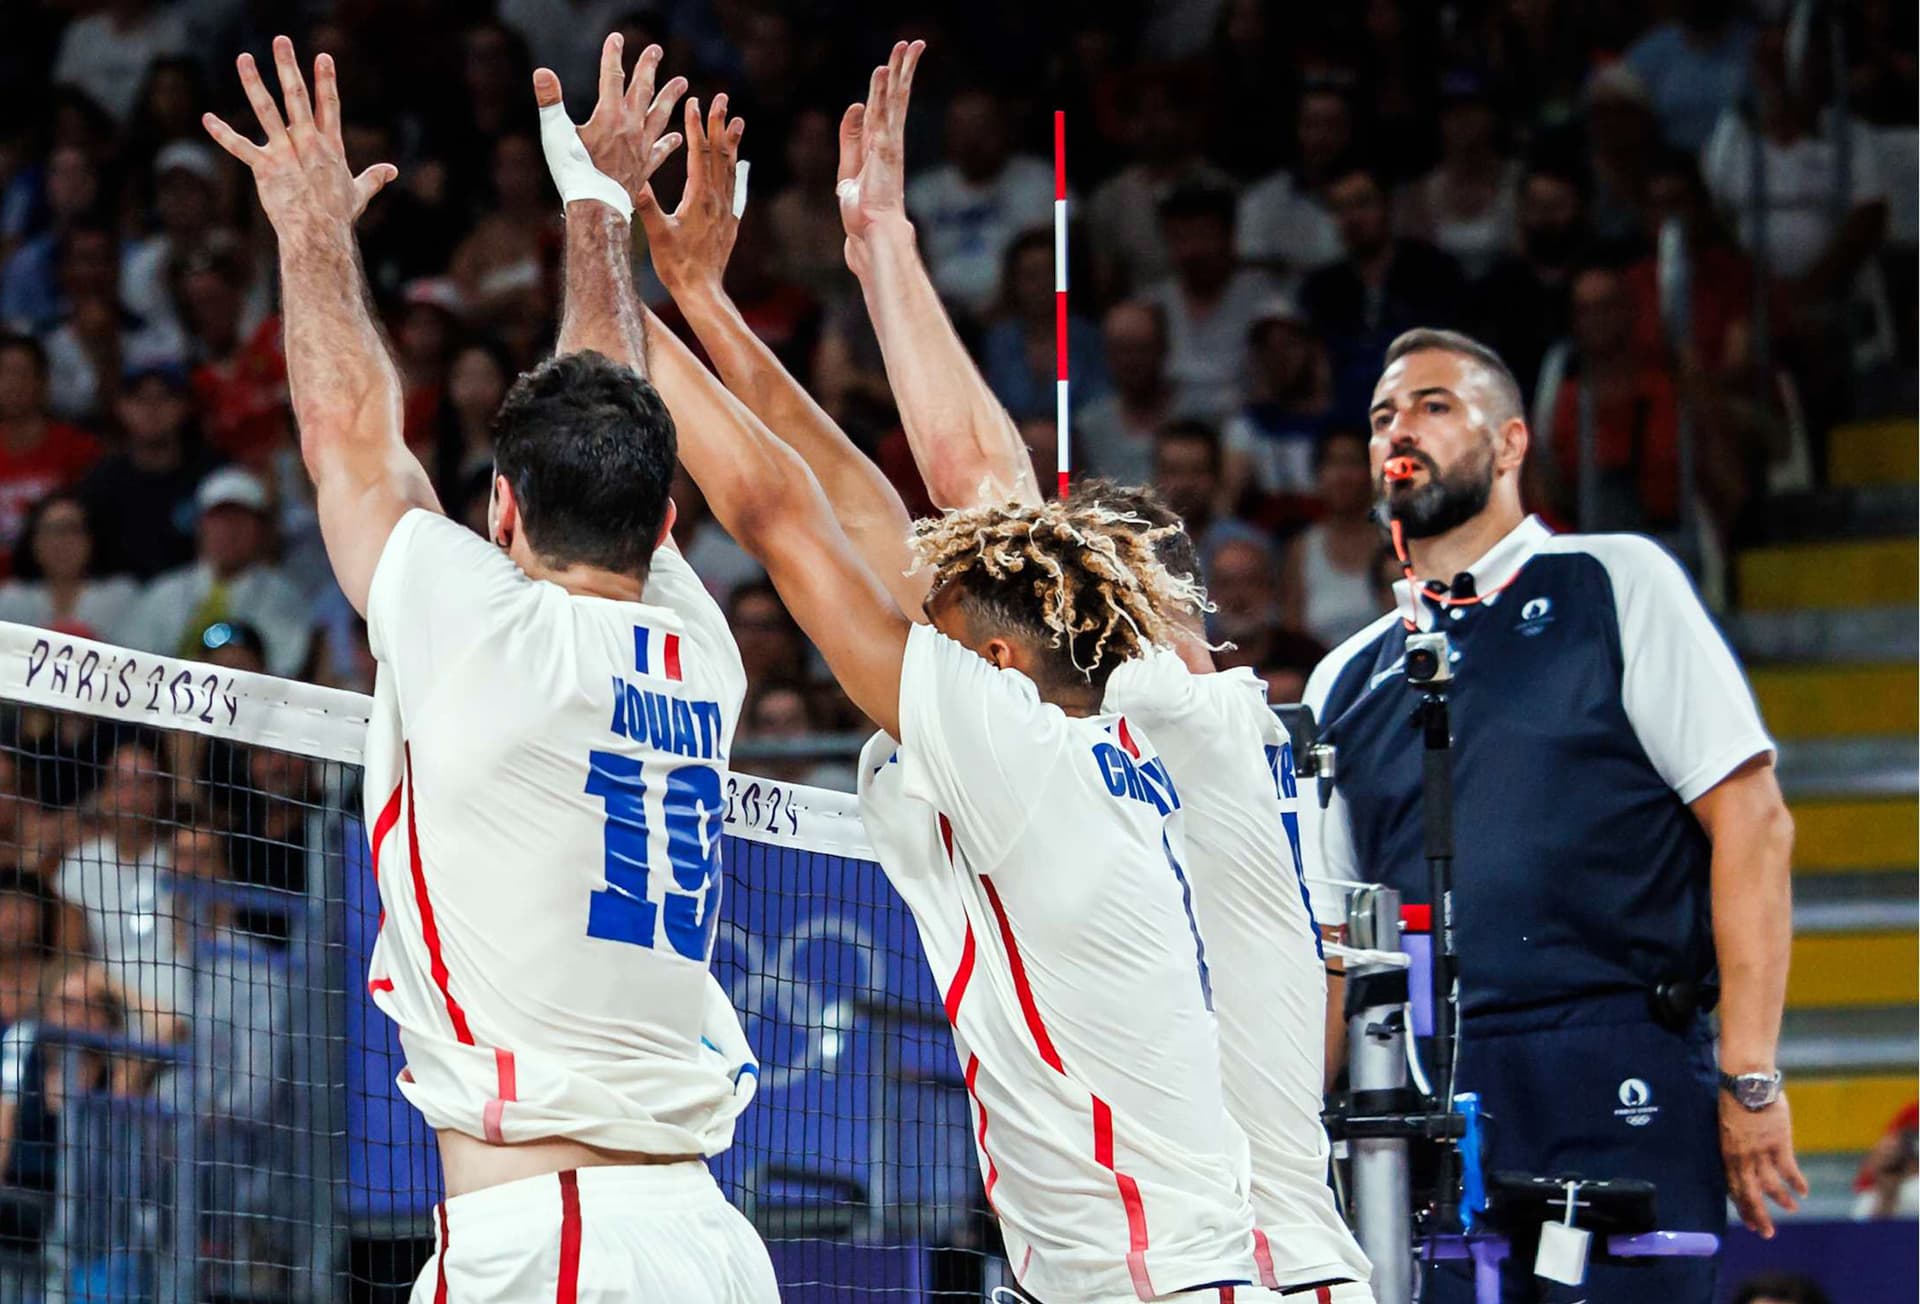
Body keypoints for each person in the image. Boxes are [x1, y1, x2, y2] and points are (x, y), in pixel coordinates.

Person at [633, 47, 1342, 1299]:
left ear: (1004, 662)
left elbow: (796, 518)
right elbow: (954, 502)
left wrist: (596, 244)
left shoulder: (1030, 765)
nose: (914, 610)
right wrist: (806, 270)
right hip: (1307, 1268)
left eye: (938, 619)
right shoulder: (1217, 723)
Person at [201, 36, 774, 1300]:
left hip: (555, 1247)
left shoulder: (481, 631)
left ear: (502, 508)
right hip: (708, 1239)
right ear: (665, 523)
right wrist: (597, 210)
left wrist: (307, 229)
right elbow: (610, 404)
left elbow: (355, 438)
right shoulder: (701, 648)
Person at [1301, 327, 1804, 1303]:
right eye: (1381, 415)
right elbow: (1334, 943)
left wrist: (1751, 1074)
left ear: (1512, 442)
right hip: (1425, 1090)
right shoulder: (1343, 678)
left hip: (1622, 1052)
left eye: (1435, 405)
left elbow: (1753, 819)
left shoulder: (1616, 581)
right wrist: (1293, 1137)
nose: (1400, 427)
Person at [113, 466, 312, 677]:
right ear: (200, 526)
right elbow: (131, 664)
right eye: (219, 519)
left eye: (241, 520)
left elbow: (286, 670)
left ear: (261, 530)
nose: (229, 530)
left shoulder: (285, 598)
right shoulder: (164, 593)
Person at [903, 86, 1055, 316]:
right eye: (962, 128)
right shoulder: (921, 193)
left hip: (1018, 317)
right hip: (935, 317)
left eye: (980, 127)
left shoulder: (1041, 182)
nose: (972, 140)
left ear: (1003, 128)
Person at [79, 362, 220, 579]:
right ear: (121, 408)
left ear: (184, 407)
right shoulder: (100, 484)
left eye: (164, 398)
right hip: (123, 597)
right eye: (139, 399)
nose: (152, 409)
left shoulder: (213, 475)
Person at [0, 333, 102, 574]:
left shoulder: (79, 448)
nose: (13, 383)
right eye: (3, 373)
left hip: (58, 586)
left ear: (43, 381)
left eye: (22, 372)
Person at [1281, 430, 1388, 647]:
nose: (1342, 476)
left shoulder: (1395, 541)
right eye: (1332, 464)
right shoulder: (1301, 549)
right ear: (1317, 475)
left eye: (1352, 462)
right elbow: (1292, 630)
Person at [0, 491, 140, 639]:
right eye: (50, 531)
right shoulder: (11, 599)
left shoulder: (122, 596)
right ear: (33, 542)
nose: (61, 542)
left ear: (91, 538)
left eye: (72, 529)